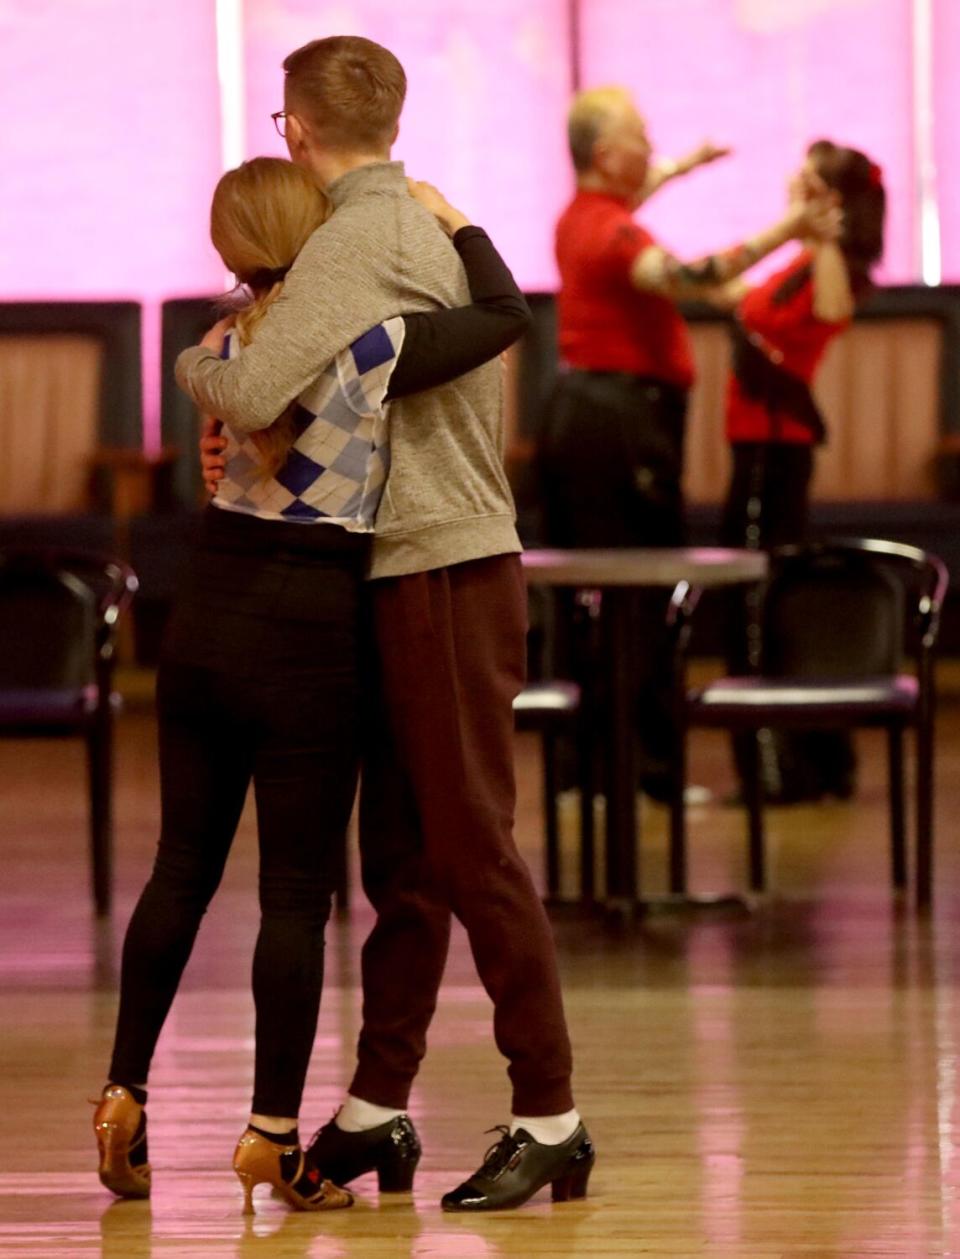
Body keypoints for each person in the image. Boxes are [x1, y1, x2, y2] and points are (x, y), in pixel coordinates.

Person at [179, 35, 594, 1214]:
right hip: (422, 557)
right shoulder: (415, 225)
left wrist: (192, 369)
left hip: (440, 563)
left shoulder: (355, 240)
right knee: (407, 855)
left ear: (294, 132)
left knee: (469, 843)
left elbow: (254, 388)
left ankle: (551, 1111)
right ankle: (375, 1104)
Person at [92, 155, 534, 1215]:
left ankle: (123, 1091)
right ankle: (272, 1135)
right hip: (312, 632)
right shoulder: (371, 342)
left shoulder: (229, 343)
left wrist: (201, 367)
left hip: (204, 618)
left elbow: (223, 385)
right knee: (294, 893)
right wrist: (456, 224)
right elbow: (505, 314)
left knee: (180, 867)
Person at [538, 86, 836, 801]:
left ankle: (600, 766)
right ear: (608, 156)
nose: (653, 147)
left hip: (600, 419)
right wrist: (789, 226)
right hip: (619, 427)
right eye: (643, 137)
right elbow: (689, 278)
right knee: (636, 593)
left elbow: (639, 197)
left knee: (605, 597)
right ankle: (638, 770)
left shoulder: (585, 216)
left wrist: (681, 168)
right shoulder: (608, 232)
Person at [718, 139, 887, 801]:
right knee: (760, 604)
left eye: (809, 180)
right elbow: (722, 284)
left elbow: (833, 311)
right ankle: (804, 761)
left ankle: (779, 771)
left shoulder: (828, 266)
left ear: (832, 200)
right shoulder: (792, 265)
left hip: (772, 454)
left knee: (757, 608)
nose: (793, 180)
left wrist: (817, 234)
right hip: (754, 451)